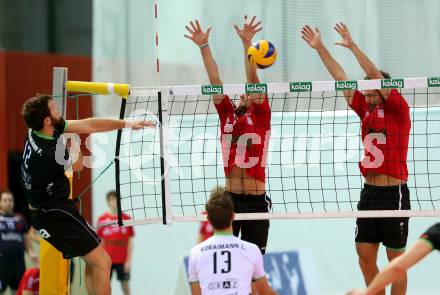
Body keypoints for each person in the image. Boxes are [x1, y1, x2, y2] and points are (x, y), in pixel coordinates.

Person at [301, 22, 411, 295]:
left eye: (372, 91)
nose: (367, 96)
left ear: (383, 90)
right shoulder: (366, 109)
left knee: (396, 262)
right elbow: (341, 79)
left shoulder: (398, 108)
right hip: (370, 193)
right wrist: (320, 48)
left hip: (393, 193)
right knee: (364, 257)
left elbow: (373, 73)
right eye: (366, 92)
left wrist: (353, 47)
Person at [20, 94, 154, 295]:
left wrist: (127, 123)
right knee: (104, 262)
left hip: (45, 209)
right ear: (47, 120)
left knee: (95, 259)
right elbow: (78, 164)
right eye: (54, 109)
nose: (59, 111)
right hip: (53, 214)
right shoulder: (51, 152)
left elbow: (89, 125)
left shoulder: (35, 130)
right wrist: (73, 143)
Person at [185, 16, 272, 254]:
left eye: (248, 92)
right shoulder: (226, 113)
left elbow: (253, 79)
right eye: (241, 93)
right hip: (230, 200)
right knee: (226, 260)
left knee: (254, 266)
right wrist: (203, 46)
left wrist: (248, 44)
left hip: (256, 201)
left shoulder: (262, 114)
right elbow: (215, 78)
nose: (244, 93)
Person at [188, 187, 276, 295]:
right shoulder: (252, 250)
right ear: (233, 216)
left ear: (208, 219)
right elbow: (265, 292)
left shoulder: (195, 253)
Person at [346, 223, 440, 295]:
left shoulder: (436, 232)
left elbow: (398, 267)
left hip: (395, 205)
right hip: (368, 205)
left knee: (398, 260)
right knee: (366, 260)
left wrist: (365, 293)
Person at [0, 190, 38, 295]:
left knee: (18, 292)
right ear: (0, 202)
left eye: (10, 200)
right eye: (5, 200)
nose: (8, 202)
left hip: (19, 264)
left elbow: (26, 240)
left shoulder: (20, 219)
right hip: (2, 264)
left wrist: (32, 254)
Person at [97, 191, 134, 295]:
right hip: (106, 259)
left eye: (116, 199)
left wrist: (128, 261)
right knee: (105, 285)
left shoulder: (126, 219)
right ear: (108, 202)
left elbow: (130, 241)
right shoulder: (102, 219)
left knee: (125, 284)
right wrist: (99, 260)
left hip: (121, 259)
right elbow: (99, 242)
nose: (114, 202)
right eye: (111, 199)